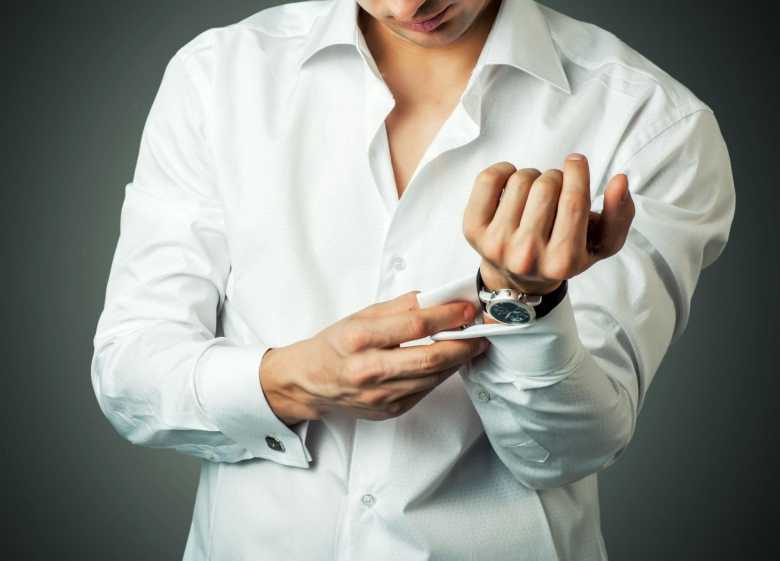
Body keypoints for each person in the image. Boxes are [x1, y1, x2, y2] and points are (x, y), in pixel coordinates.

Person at [90, 0, 736, 559]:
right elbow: (130, 370)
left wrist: (524, 300)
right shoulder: (217, 77)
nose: (406, 7)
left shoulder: (654, 126)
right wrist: (289, 379)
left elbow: (569, 450)